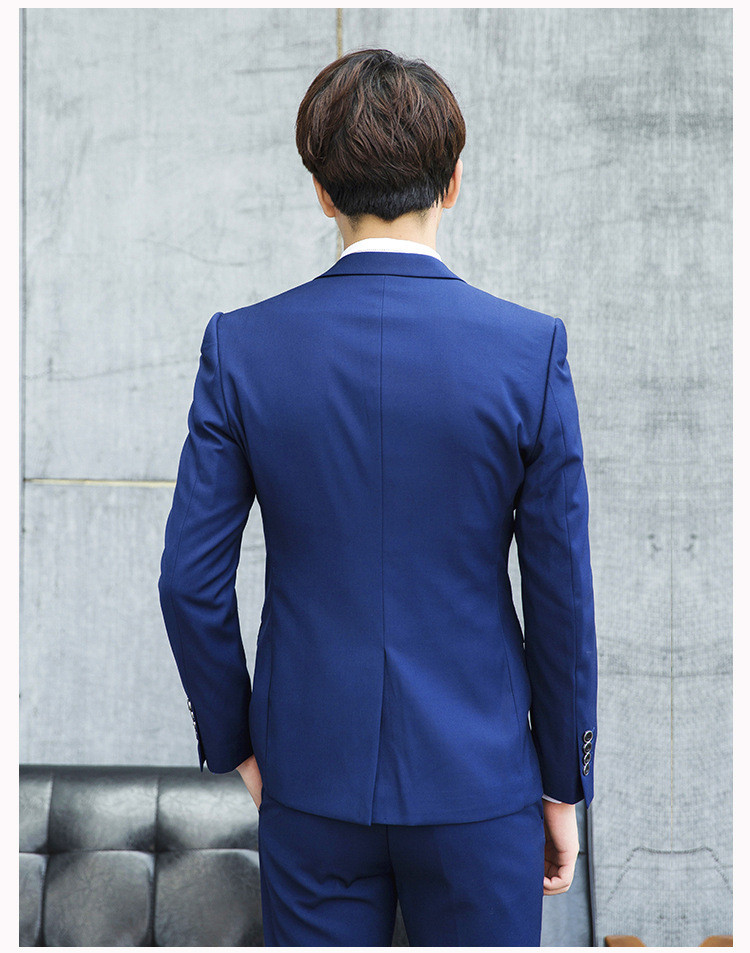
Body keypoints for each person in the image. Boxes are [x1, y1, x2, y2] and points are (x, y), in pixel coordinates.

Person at [158, 47, 598, 947]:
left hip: (308, 779)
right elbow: (561, 596)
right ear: (454, 183)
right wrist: (562, 781)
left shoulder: (242, 348)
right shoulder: (529, 351)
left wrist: (238, 747)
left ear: (322, 192)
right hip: (481, 783)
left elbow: (188, 582)